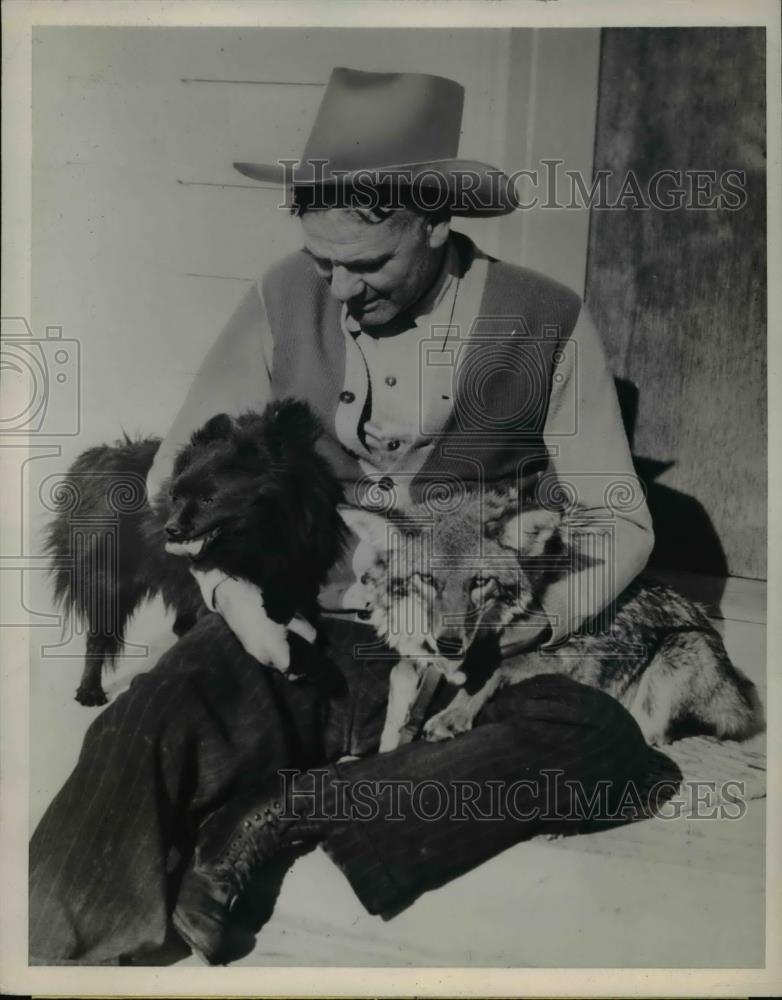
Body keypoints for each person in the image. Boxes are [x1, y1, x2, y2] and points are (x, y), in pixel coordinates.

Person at [29, 67, 658, 966]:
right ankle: (51, 953)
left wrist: (530, 630)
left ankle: (286, 813)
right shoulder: (284, 294)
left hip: (465, 659)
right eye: (321, 261)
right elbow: (178, 476)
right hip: (297, 633)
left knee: (595, 740)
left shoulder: (545, 319)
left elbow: (621, 517)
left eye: (366, 264)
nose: (337, 289)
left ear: (436, 220)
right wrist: (232, 600)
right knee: (146, 723)